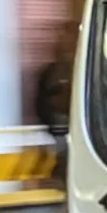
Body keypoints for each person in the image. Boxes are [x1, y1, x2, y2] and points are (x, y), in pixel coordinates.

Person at [35, 22, 77, 192]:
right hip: (59, 132)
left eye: (67, 36)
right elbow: (42, 104)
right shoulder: (51, 71)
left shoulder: (82, 70)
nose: (61, 40)